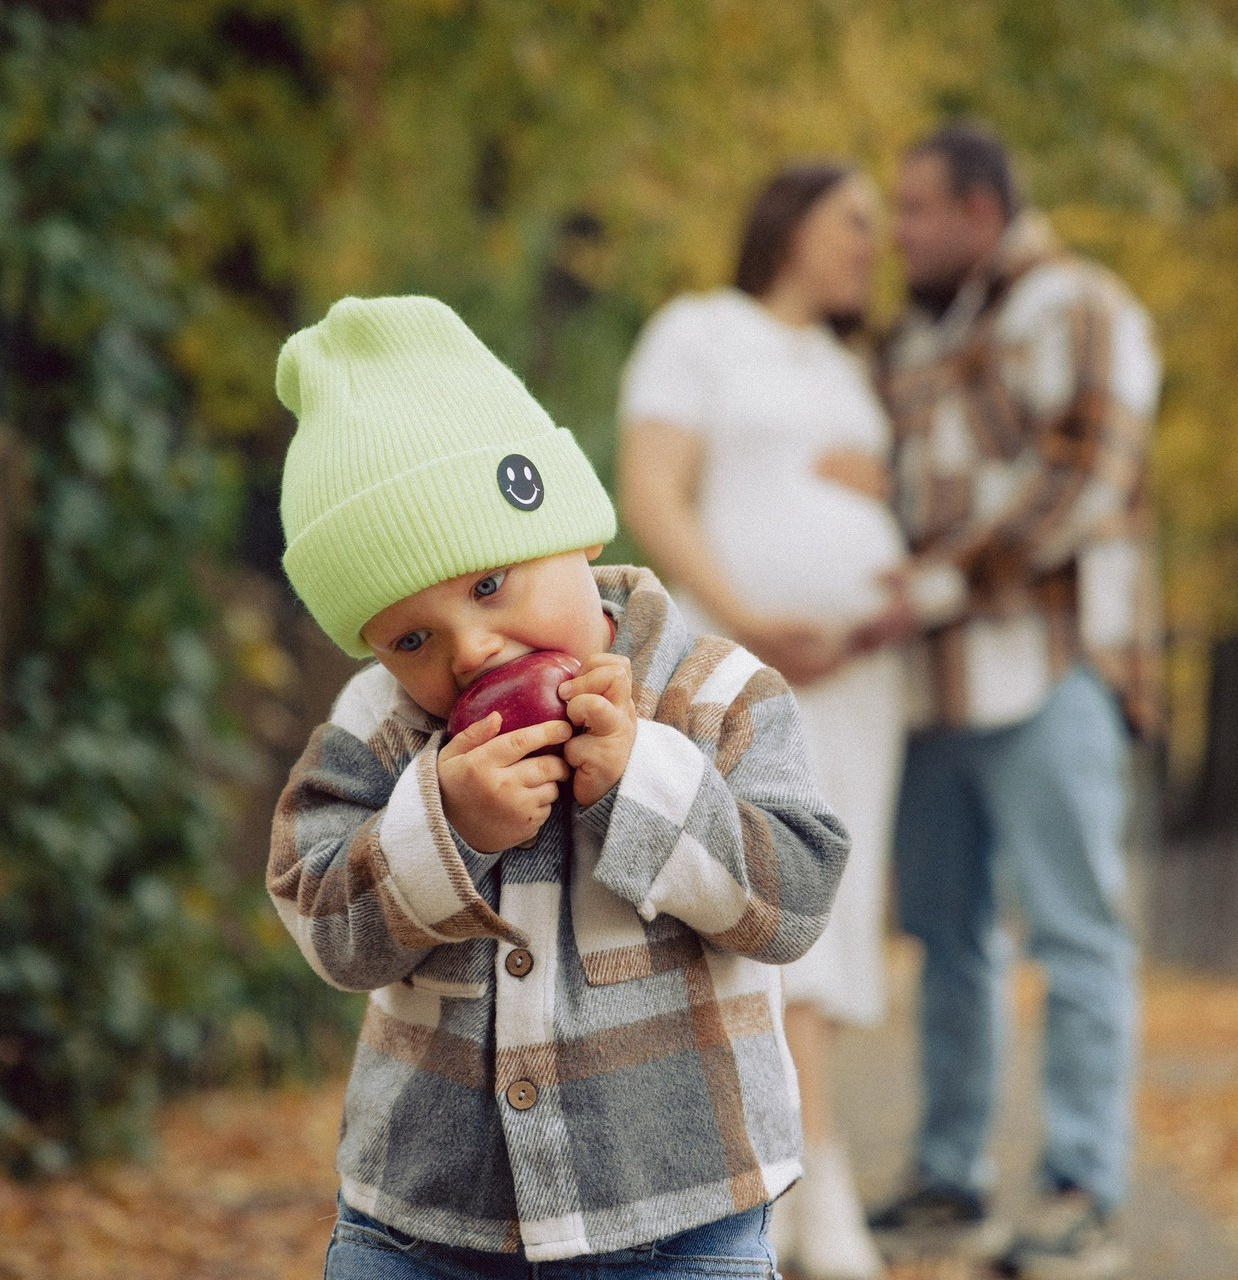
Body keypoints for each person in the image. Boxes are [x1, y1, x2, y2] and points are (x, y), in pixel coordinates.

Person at [266, 294, 852, 1280]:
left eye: (490, 583)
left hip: (680, 1214)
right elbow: (322, 921)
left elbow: (793, 899)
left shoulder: (715, 696)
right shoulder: (376, 726)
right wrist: (442, 826)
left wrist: (647, 780)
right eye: (412, 637)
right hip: (421, 1222)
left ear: (576, 531)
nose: (471, 649)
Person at [857, 122, 1163, 1280]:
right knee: (943, 939)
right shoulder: (908, 341)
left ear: (980, 212)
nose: (899, 233)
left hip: (1049, 671)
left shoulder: (1078, 304)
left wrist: (932, 581)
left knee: (1076, 932)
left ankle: (1082, 1188)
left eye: (916, 210)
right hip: (931, 692)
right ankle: (949, 1179)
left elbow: (1083, 479)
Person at [616, 163, 908, 1280]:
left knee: (828, 893)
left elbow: (877, 502)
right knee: (739, 888)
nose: (867, 247)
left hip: (853, 679)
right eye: (851, 223)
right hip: (738, 668)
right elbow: (652, 491)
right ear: (785, 220)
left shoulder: (850, 366)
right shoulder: (697, 331)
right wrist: (744, 618)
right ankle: (795, 1178)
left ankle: (795, 1174)